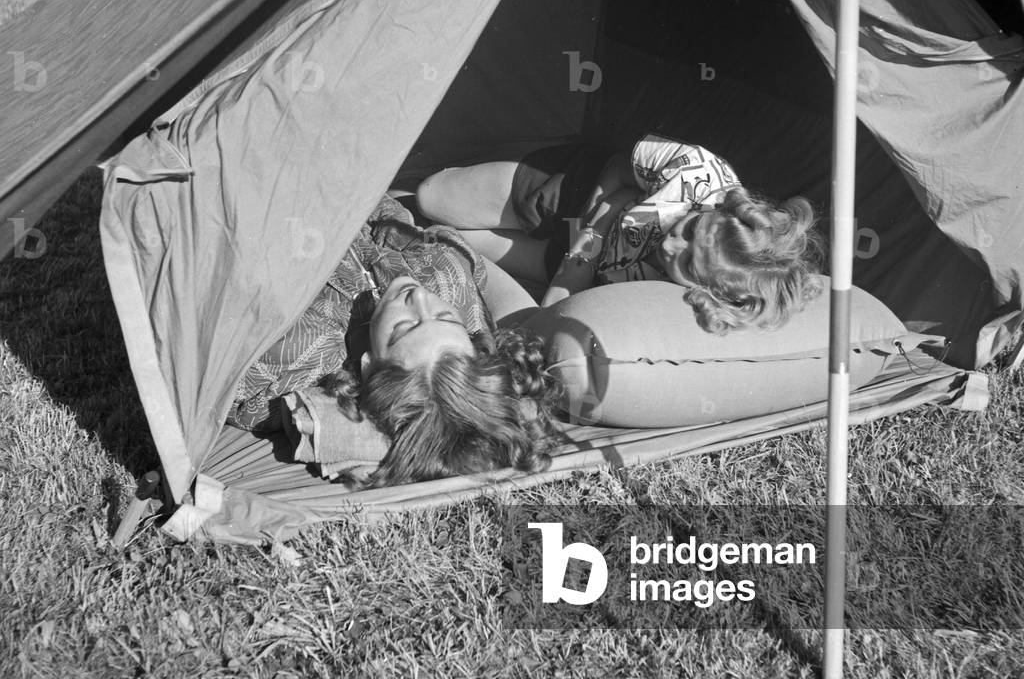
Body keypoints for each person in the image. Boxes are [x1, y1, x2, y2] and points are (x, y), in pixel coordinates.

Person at [228, 194, 559, 487]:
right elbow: (449, 250)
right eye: (444, 318)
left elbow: (230, 397)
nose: (420, 300)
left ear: (370, 366)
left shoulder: (307, 346)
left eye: (405, 327)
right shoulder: (448, 286)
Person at [416, 133, 824, 333]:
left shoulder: (694, 307)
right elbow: (618, 170)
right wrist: (596, 222)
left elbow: (568, 292)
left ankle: (380, 209)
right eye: (691, 228)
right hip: (578, 193)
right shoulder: (696, 171)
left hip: (581, 261)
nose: (670, 242)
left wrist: (577, 264)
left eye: (684, 261)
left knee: (445, 237)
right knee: (431, 198)